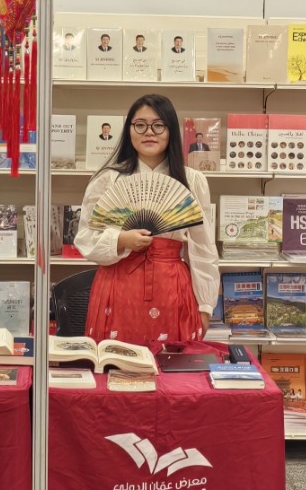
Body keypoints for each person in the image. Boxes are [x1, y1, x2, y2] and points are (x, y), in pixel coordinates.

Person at [75, 94, 220, 344]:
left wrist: (205, 306)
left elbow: (203, 248)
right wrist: (120, 240)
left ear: (171, 130)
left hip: (171, 287)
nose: (149, 132)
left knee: (170, 361)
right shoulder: (107, 179)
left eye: (158, 125)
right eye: (140, 125)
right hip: (117, 286)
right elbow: (85, 237)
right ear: (129, 129)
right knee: (116, 360)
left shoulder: (193, 181)